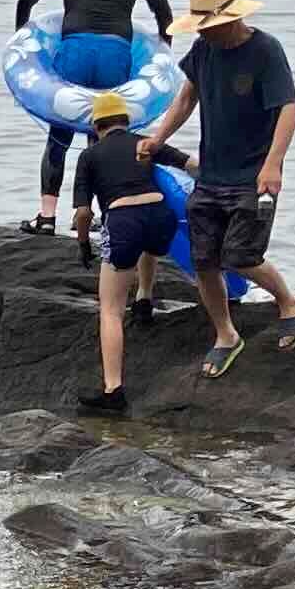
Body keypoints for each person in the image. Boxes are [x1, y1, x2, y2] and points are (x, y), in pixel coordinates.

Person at [138, 0, 295, 374]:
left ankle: (290, 302)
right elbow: (187, 97)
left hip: (254, 174)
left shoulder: (265, 50)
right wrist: (159, 138)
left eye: (209, 26)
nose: (204, 33)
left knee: (242, 255)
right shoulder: (203, 49)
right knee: (205, 260)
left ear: (231, 19)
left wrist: (273, 163)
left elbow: (289, 108)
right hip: (211, 174)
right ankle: (225, 334)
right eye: (200, 27)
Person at [12, 0, 176, 237]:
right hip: (115, 53)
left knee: (59, 134)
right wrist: (164, 56)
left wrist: (21, 43)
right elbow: (164, 15)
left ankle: (47, 217)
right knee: (102, 137)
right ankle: (95, 215)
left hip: (74, 51)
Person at [70, 99, 190, 415]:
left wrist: (83, 243)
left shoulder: (89, 156)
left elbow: (83, 213)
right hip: (161, 217)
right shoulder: (145, 143)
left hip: (123, 222)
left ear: (96, 127)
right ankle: (144, 299)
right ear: (126, 121)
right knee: (148, 245)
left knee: (110, 309)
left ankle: (113, 390)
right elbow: (190, 164)